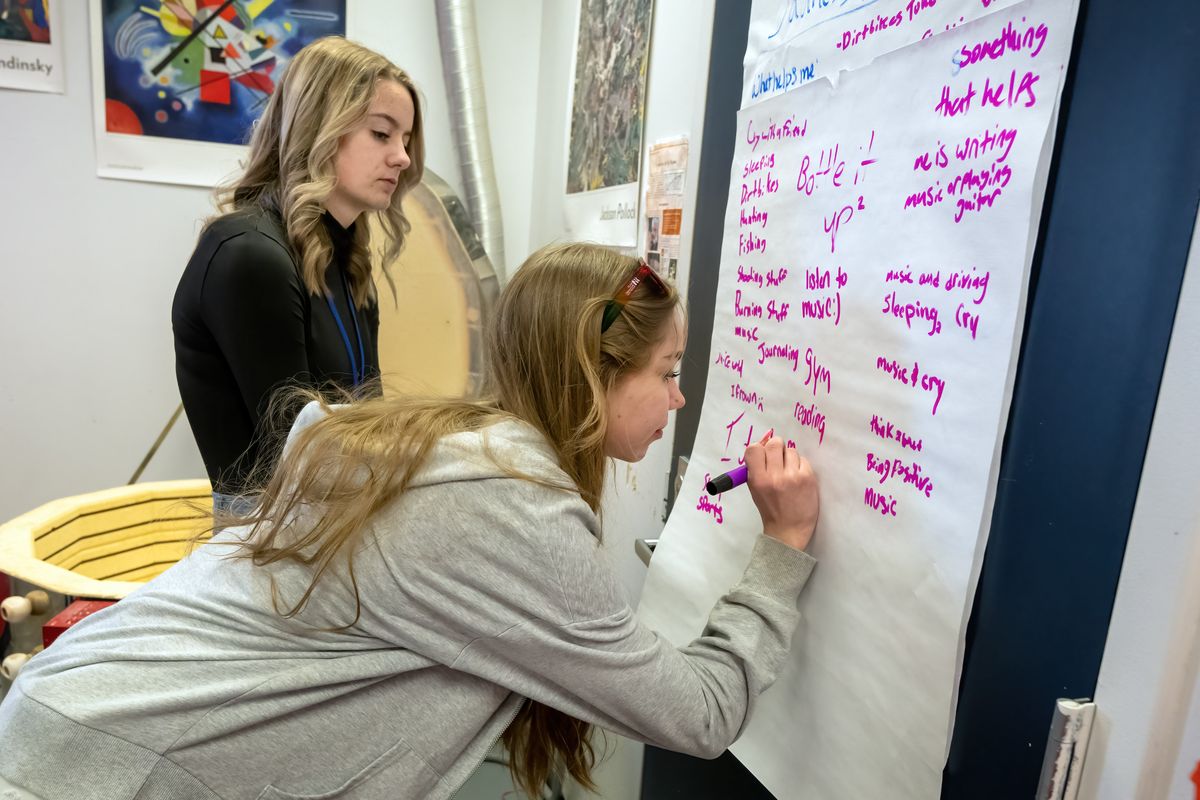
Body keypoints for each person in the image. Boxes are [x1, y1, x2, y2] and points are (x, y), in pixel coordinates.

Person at [0, 244, 821, 800]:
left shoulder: (458, 444)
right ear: (591, 369)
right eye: (669, 372)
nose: (680, 399)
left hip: (77, 715)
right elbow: (701, 715)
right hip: (105, 763)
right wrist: (781, 548)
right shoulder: (511, 509)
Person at [172, 36, 425, 512]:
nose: (403, 158)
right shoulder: (248, 254)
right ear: (319, 128)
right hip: (266, 546)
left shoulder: (347, 261)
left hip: (338, 526)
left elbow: (367, 419)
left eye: (406, 140)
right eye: (381, 134)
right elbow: (299, 456)